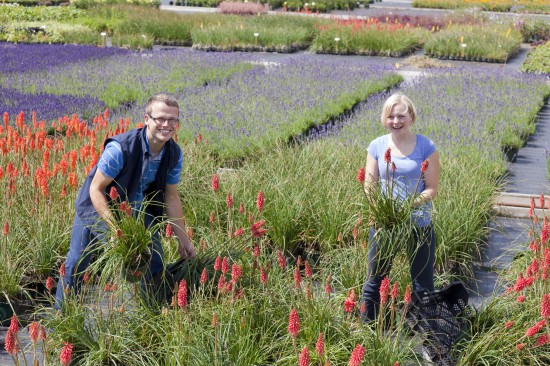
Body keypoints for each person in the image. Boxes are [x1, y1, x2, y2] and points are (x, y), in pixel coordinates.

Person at [55, 94, 196, 307]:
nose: (166, 125)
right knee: (77, 263)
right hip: (99, 206)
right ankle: (61, 321)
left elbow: (171, 197)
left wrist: (184, 241)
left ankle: (153, 313)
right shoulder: (120, 149)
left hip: (137, 208)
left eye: (172, 120)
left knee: (154, 261)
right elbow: (96, 189)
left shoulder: (174, 153)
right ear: (147, 119)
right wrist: (114, 230)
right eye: (160, 118)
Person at [360, 92, 440, 322]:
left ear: (411, 117)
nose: (396, 121)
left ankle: (428, 338)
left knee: (423, 285)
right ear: (385, 119)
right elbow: (369, 186)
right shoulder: (376, 146)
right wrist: (382, 212)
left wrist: (406, 206)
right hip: (385, 224)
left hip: (419, 223)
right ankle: (368, 330)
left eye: (401, 116)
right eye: (391, 116)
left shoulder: (427, 146)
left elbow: (431, 188)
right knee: (375, 281)